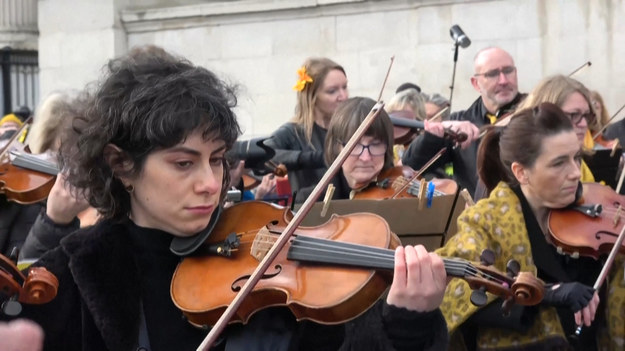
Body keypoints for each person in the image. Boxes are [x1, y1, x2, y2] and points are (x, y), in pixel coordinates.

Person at [7, 45, 449, 351]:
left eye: (217, 160)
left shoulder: (270, 260)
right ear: (122, 165)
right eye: (184, 163)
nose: (210, 182)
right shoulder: (72, 277)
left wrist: (408, 326)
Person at [436, 102, 614, 350]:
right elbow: (458, 296)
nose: (575, 172)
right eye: (559, 163)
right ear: (521, 172)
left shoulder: (596, 214)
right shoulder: (485, 220)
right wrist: (549, 293)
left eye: (576, 158)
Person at [402, 47, 525, 196]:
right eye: (492, 74)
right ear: (476, 83)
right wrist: (436, 134)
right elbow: (412, 165)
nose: (503, 80)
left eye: (507, 71)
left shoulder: (534, 112)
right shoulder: (460, 122)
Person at [17, 93, 93, 262]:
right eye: (60, 157)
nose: (68, 169)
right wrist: (53, 222)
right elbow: (23, 277)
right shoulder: (20, 205)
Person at [265, 58, 348, 202]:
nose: (343, 96)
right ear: (312, 96)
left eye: (345, 87)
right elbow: (265, 156)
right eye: (332, 91)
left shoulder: (348, 129)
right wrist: (314, 158)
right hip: (309, 214)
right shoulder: (292, 132)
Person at [515, 75, 598, 183]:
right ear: (545, 115)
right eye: (573, 115)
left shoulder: (579, 162)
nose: (583, 124)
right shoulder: (524, 165)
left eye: (586, 115)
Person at [321, 97, 396, 200]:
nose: (365, 157)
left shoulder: (399, 198)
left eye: (375, 144)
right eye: (354, 145)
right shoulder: (311, 202)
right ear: (336, 147)